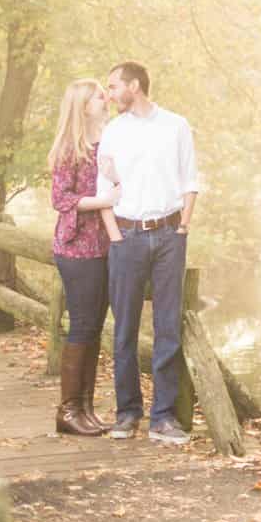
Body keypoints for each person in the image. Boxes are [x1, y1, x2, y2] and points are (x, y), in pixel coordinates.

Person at [96, 61, 199, 446]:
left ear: (134, 86)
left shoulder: (176, 125)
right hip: (127, 236)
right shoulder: (113, 132)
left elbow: (190, 180)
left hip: (170, 234)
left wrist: (183, 227)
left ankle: (164, 418)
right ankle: (127, 414)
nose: (108, 94)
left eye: (113, 86)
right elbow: (103, 188)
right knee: (124, 329)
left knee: (168, 328)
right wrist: (115, 237)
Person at [48, 78, 122, 436]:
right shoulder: (69, 148)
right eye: (97, 95)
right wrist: (105, 201)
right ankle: (67, 411)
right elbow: (61, 199)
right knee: (82, 324)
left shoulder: (107, 141)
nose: (104, 98)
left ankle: (86, 409)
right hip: (77, 248)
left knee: (94, 326)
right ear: (82, 105)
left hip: (104, 246)